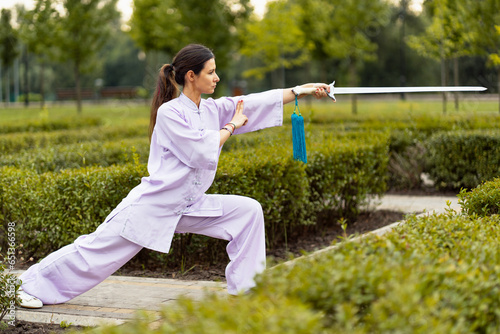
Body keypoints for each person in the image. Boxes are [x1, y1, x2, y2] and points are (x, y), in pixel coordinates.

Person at [18, 44, 330, 308]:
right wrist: (231, 126)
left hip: (189, 204)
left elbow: (257, 101)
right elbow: (200, 150)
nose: (217, 77)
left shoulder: (210, 109)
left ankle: (246, 289)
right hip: (153, 206)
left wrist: (301, 90)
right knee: (94, 253)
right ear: (191, 76)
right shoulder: (170, 113)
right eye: (211, 72)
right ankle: (28, 286)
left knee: (248, 212)